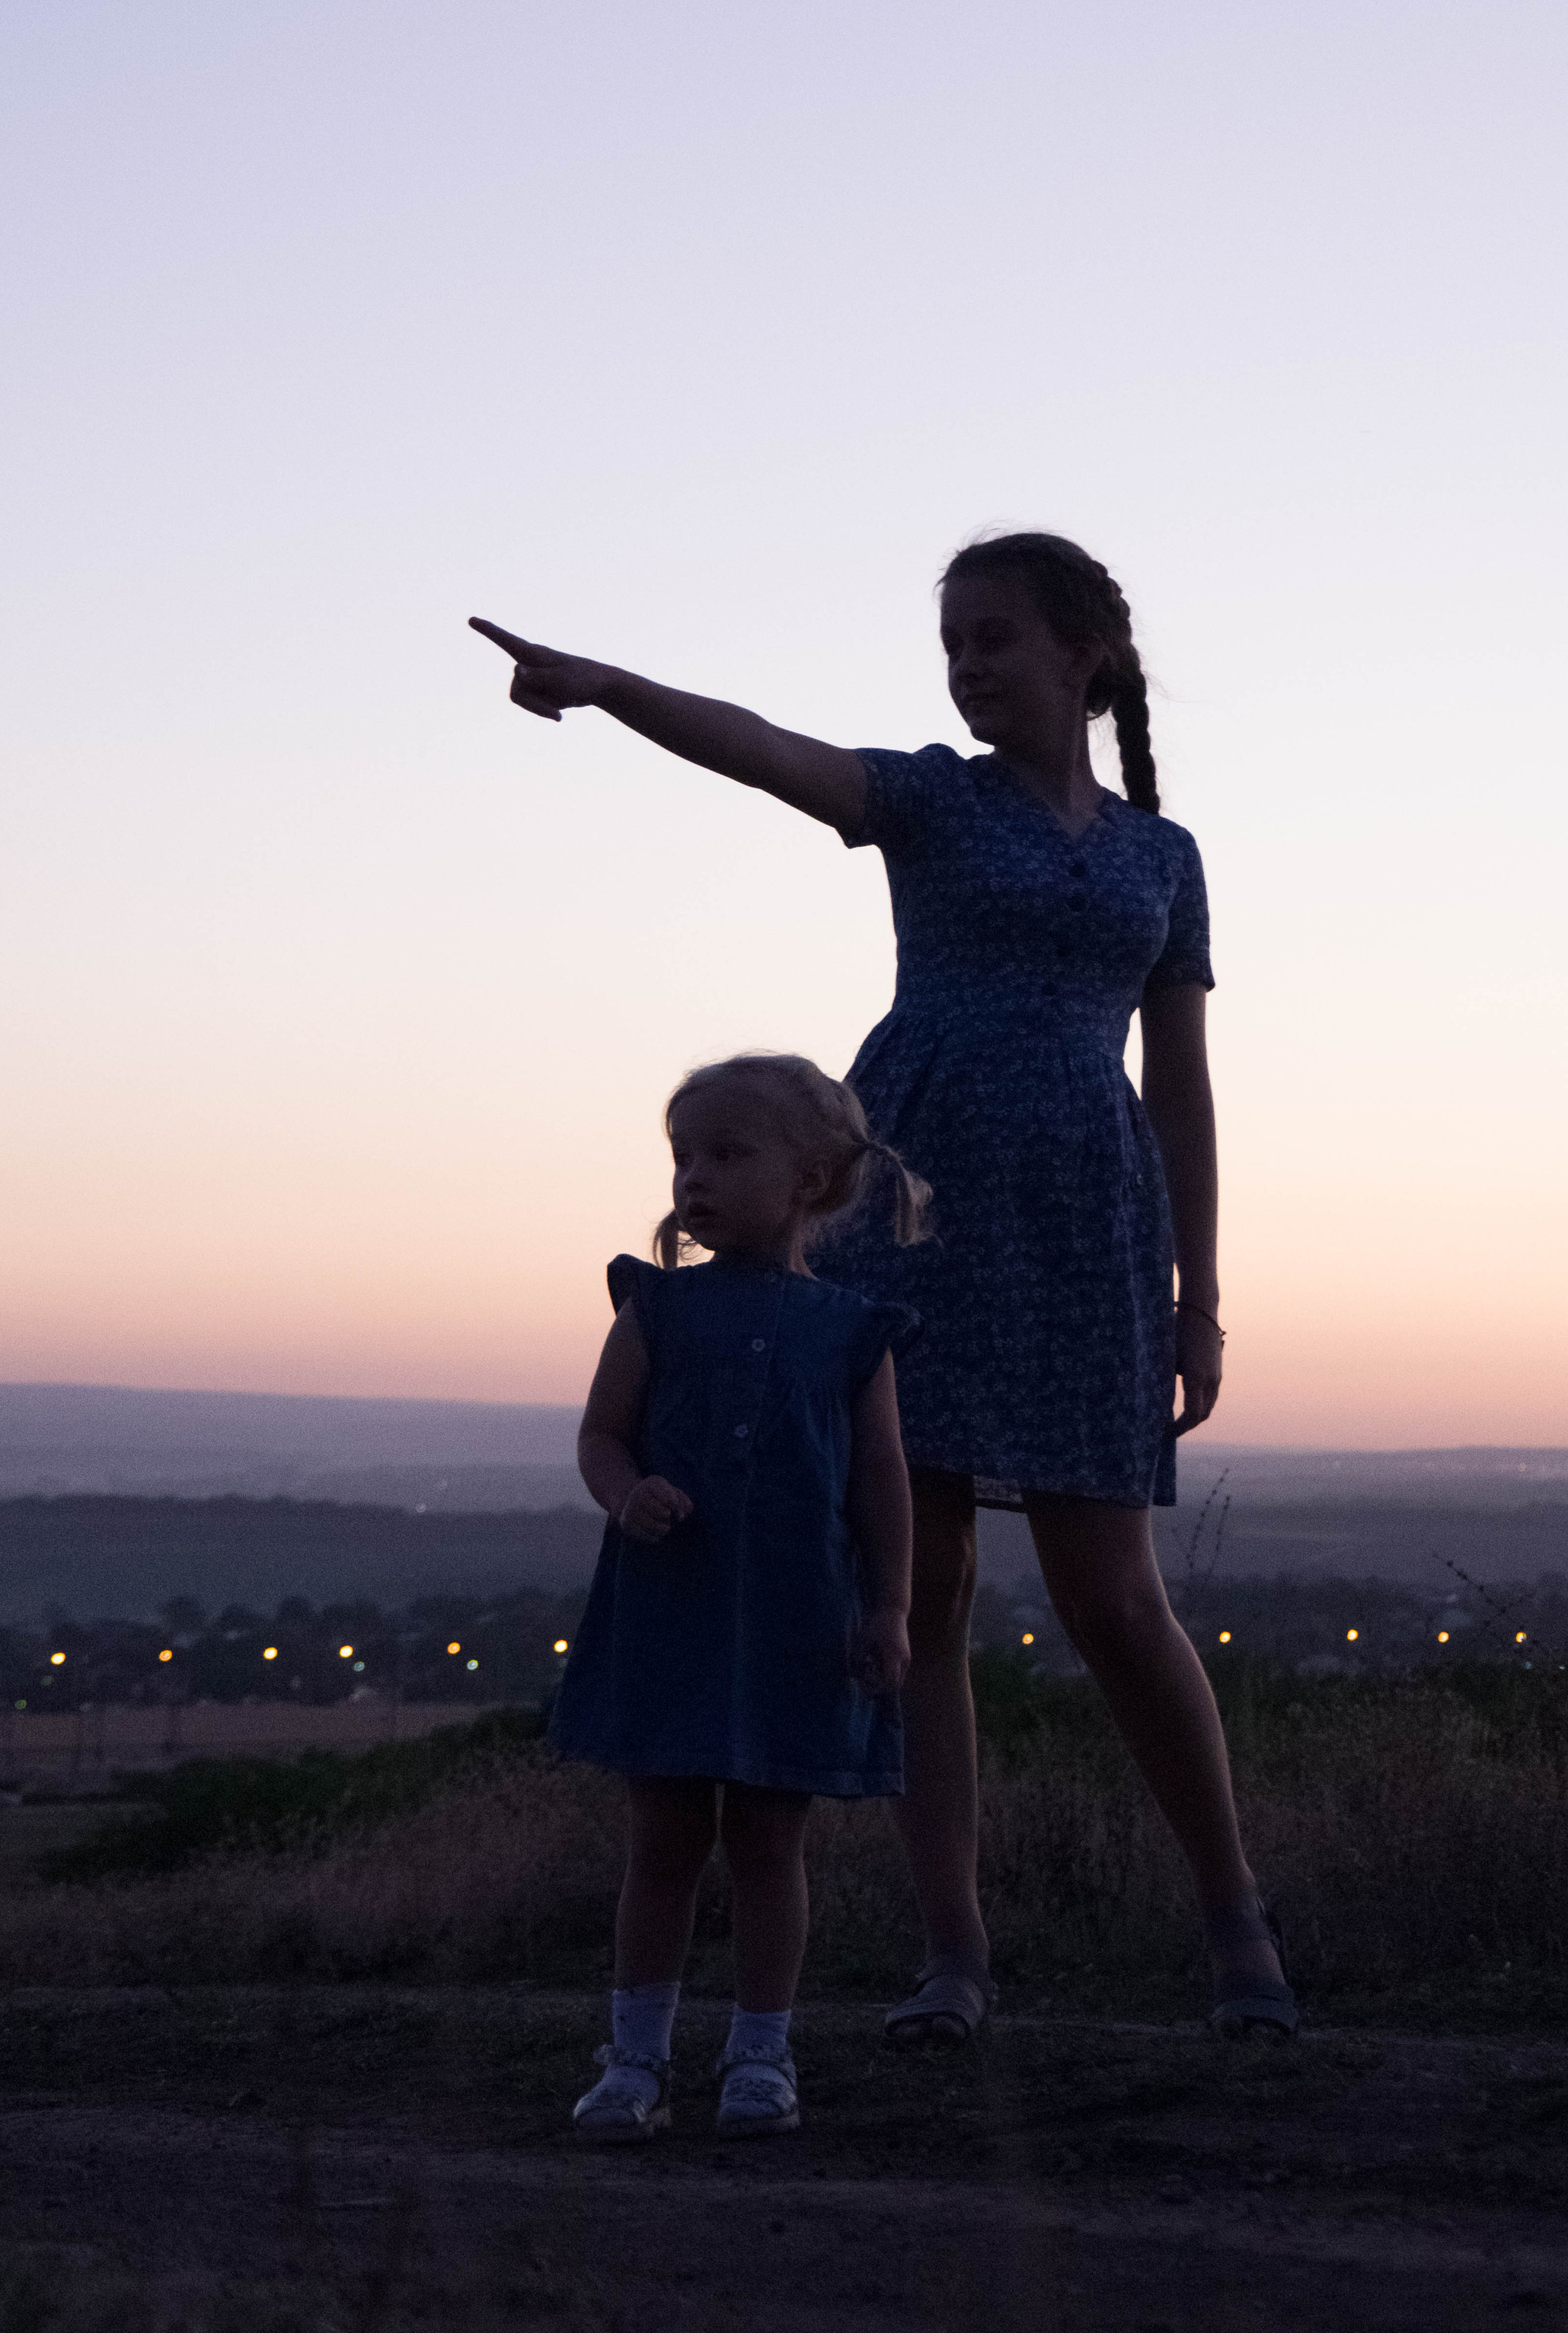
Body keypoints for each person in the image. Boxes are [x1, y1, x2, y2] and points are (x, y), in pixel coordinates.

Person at [473, 529, 1298, 2046]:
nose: (966, 667)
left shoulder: (1159, 860)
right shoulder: (926, 799)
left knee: (1113, 1600)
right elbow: (768, 750)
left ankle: (1234, 1916)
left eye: (993, 639)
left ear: (1082, 653)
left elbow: (1179, 1089)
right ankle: (953, 1954)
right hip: (908, 1218)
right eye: (951, 645)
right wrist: (605, 687)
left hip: (1085, 1229)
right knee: (914, 1590)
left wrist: (1199, 1291)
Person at [550, 1051, 925, 2143]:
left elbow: (882, 1485)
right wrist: (627, 1497)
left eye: (726, 1154)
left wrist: (890, 1608)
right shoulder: (656, 1307)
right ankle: (635, 2058)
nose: (693, 1181)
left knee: (770, 1841)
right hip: (670, 1612)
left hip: (798, 1622)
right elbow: (600, 1435)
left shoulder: (856, 1331)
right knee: (662, 1840)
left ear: (809, 1177)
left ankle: (762, 2054)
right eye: (682, 1159)